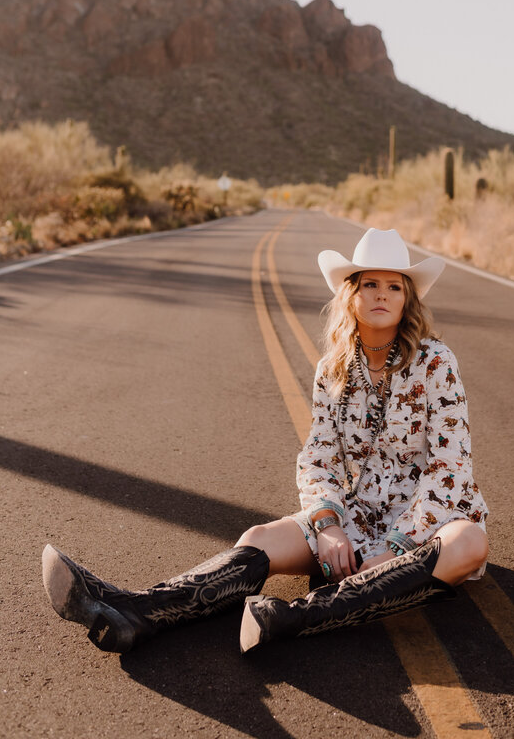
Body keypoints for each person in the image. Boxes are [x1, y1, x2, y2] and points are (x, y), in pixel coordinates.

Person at [42, 228, 489, 655]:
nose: (381, 295)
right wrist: (328, 526)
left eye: (394, 286)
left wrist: (394, 552)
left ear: (407, 298)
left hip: (426, 525)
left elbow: (450, 469)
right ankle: (138, 611)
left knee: (470, 544)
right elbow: (320, 458)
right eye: (370, 284)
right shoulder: (333, 368)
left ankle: (288, 619)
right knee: (257, 538)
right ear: (350, 295)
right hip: (356, 515)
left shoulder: (435, 362)